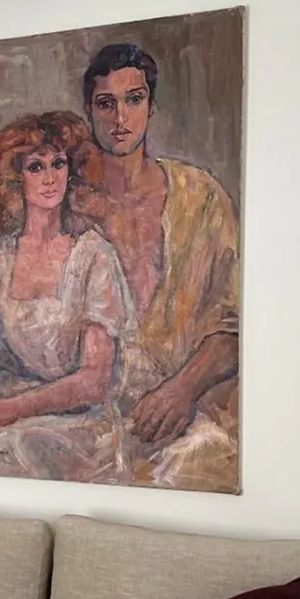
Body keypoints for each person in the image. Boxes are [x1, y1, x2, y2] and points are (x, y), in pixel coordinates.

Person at [0, 111, 137, 482]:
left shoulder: (93, 255)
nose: (50, 178)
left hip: (72, 425)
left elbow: (94, 381)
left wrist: (10, 409)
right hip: (1, 407)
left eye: (58, 164)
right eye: (36, 167)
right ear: (15, 178)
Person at [73, 43, 241, 491]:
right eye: (105, 103)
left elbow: (234, 325)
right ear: (89, 111)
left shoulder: (200, 196)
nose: (120, 118)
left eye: (134, 99)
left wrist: (182, 389)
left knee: (198, 463)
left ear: (151, 106)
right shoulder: (68, 205)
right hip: (94, 416)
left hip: (191, 411)